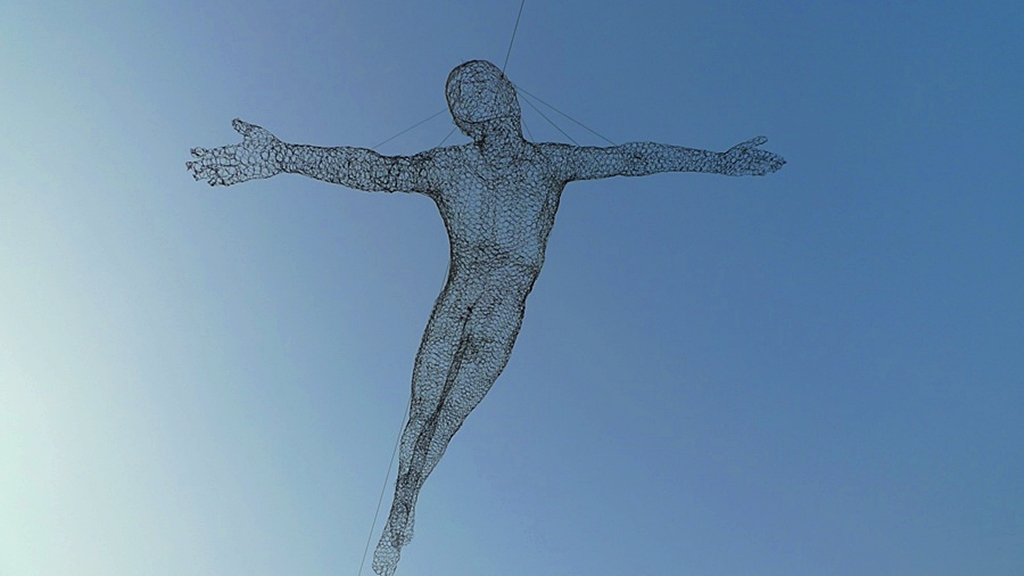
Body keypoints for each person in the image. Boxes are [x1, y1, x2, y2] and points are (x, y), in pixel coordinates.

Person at [187, 59, 785, 576]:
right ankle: (400, 511)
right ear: (469, 118)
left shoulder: (547, 164)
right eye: (470, 98)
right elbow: (372, 169)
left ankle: (403, 510)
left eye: (485, 90)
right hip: (462, 305)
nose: (483, 104)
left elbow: (633, 157)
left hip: (497, 317)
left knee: (443, 421)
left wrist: (720, 161)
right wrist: (284, 156)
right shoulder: (454, 168)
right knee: (424, 414)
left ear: (506, 98)